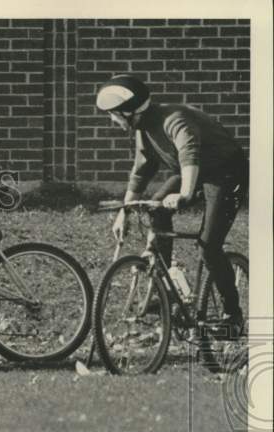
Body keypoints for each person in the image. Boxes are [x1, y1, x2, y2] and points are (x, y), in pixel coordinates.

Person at [98, 74, 248, 333]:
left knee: (209, 246)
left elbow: (189, 154)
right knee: (155, 208)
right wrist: (125, 212)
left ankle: (232, 315)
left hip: (227, 174)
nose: (112, 121)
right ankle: (166, 289)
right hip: (194, 172)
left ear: (129, 112)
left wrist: (185, 194)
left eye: (114, 114)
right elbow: (141, 171)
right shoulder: (143, 129)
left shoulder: (174, 120)